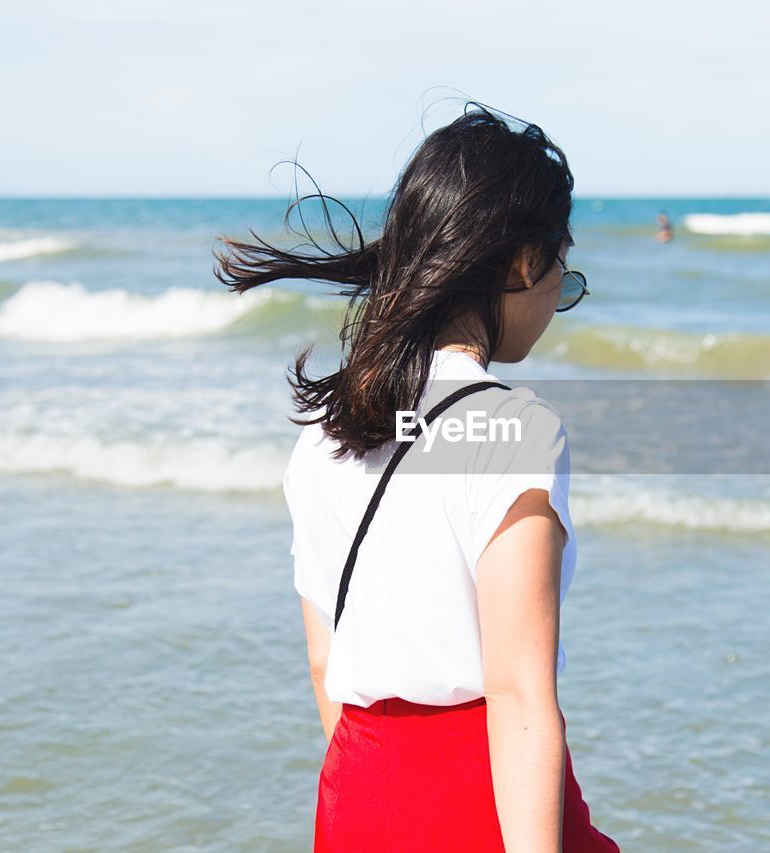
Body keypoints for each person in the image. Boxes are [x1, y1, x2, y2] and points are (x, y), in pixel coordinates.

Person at [214, 103, 615, 852]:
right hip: (479, 796)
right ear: (524, 261)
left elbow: (324, 660)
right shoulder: (512, 429)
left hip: (357, 791)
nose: (561, 291)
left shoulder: (325, 433)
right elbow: (521, 698)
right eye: (564, 267)